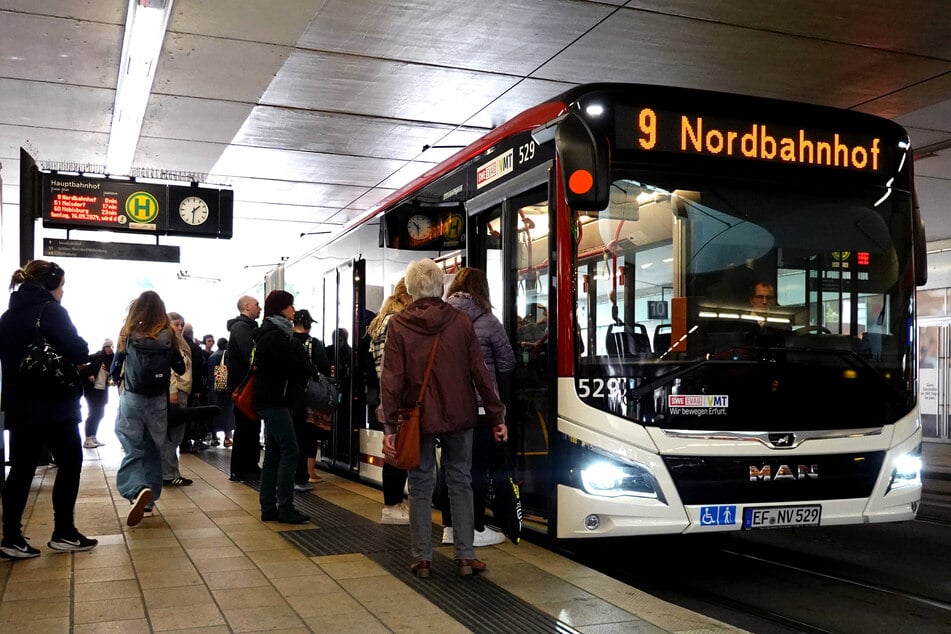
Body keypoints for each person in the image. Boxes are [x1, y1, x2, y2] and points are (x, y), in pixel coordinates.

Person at [380, 258, 507, 578]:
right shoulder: (461, 321)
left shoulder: (398, 324)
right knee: (460, 482)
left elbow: (390, 379)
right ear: (440, 287)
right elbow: (481, 373)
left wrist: (389, 426)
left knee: (420, 485)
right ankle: (465, 557)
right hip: (460, 414)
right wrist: (496, 414)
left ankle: (422, 558)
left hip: (415, 416)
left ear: (409, 290)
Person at [0, 260, 98, 557]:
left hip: (20, 405)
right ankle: (64, 532)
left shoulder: (8, 316)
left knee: (20, 470)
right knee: (70, 462)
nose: (63, 292)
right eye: (62, 286)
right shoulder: (50, 311)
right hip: (55, 404)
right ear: (51, 283)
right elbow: (78, 350)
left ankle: (11, 538)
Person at [441, 268, 515, 547]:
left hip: (448, 407)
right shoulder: (488, 320)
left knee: (452, 468)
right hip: (482, 409)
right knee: (477, 470)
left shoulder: (441, 317)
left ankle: (450, 526)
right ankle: (474, 528)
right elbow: (507, 364)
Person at [112, 291, 186, 526]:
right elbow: (181, 368)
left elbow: (115, 368)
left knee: (132, 446)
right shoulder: (168, 335)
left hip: (132, 397)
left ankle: (136, 490)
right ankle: (149, 500)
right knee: (154, 447)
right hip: (158, 400)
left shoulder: (128, 332)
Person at [253, 290, 315, 524]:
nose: (294, 309)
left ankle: (268, 507)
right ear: (281, 308)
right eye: (290, 305)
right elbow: (290, 367)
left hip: (271, 400)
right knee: (290, 450)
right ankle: (285, 507)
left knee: (274, 454)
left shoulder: (271, 333)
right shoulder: (276, 336)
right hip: (275, 400)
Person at [367, 278, 413, 525]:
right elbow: (389, 367)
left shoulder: (386, 319)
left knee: (398, 449)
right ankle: (392, 505)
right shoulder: (394, 321)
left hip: (391, 395)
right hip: (396, 396)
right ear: (406, 297)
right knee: (397, 451)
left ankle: (394, 503)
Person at [290, 309, 331, 490]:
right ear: (307, 325)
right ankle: (310, 472)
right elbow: (324, 366)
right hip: (311, 397)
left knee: (294, 435)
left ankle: (291, 473)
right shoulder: (313, 343)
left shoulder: (286, 340)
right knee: (310, 434)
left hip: (291, 396)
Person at [227, 295, 262, 480]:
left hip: (245, 386)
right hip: (244, 387)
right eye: (257, 304)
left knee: (251, 427)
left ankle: (250, 466)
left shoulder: (246, 327)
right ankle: (241, 469)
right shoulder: (242, 328)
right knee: (245, 428)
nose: (260, 307)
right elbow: (250, 355)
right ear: (247, 306)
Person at [162, 312, 194, 486]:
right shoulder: (169, 342)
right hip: (176, 392)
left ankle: (171, 472)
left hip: (182, 391)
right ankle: (169, 474)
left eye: (182, 324)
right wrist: (173, 390)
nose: (180, 328)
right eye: (176, 324)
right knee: (173, 436)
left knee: (174, 435)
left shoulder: (179, 342)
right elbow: (171, 369)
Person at [80, 338, 115, 449]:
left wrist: (111, 381)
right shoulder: (98, 356)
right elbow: (82, 362)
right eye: (107, 347)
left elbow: (111, 373)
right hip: (92, 390)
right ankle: (87, 439)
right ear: (104, 347)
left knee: (100, 414)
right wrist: (89, 374)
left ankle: (94, 436)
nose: (109, 349)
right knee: (93, 414)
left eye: (111, 347)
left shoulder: (113, 359)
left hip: (103, 389)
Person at [206, 337, 234, 447]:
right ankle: (227, 438)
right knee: (226, 413)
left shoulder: (212, 356)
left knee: (214, 413)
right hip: (223, 388)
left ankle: (214, 437)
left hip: (213, 388)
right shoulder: (226, 355)